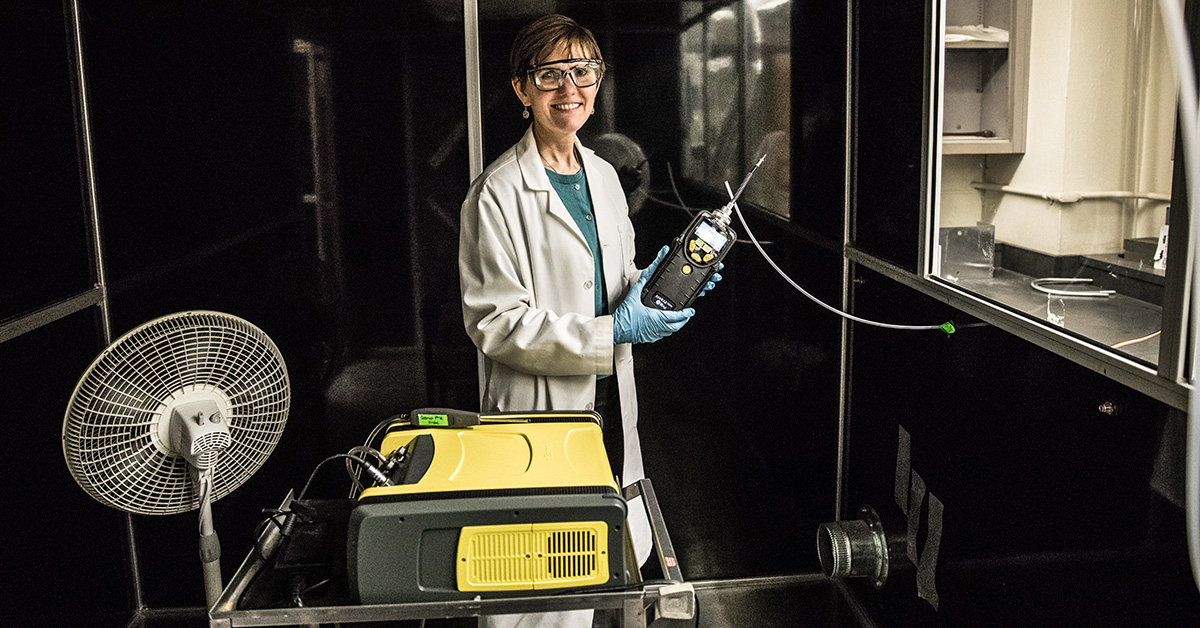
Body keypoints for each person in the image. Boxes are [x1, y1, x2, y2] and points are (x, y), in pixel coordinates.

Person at [458, 13, 719, 628]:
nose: (570, 89)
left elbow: (609, 280)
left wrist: (659, 285)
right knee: (540, 601)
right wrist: (614, 330)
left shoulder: (604, 175)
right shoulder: (496, 193)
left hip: (609, 401)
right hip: (537, 415)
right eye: (551, 75)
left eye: (583, 72)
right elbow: (495, 323)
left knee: (610, 565)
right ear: (522, 90)